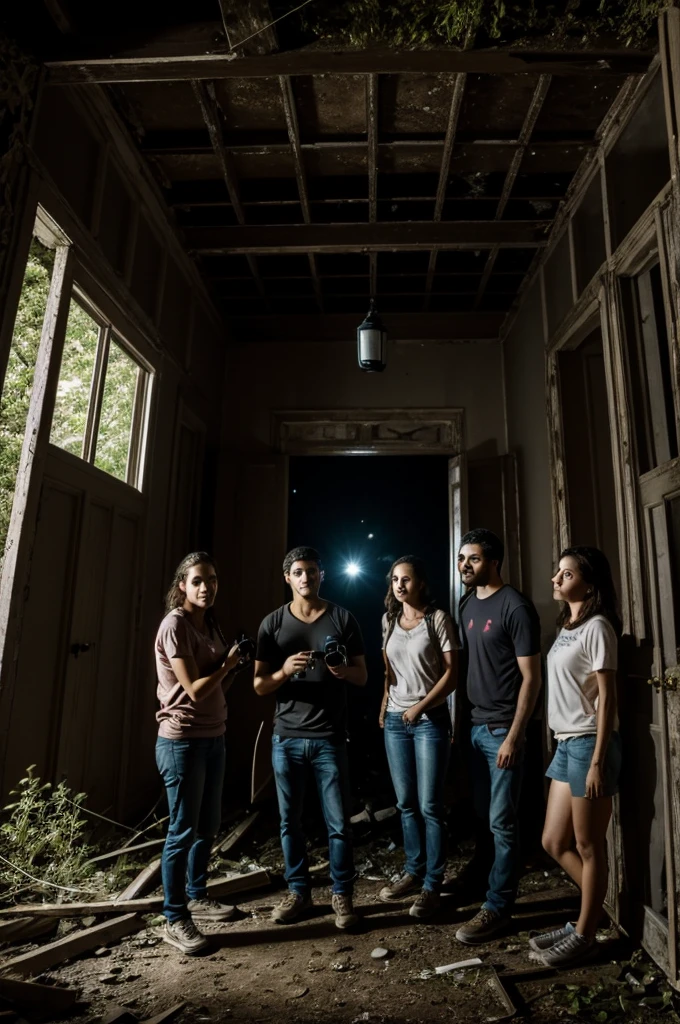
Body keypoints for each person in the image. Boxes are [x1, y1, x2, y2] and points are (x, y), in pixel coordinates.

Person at [254, 546, 367, 929]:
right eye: (299, 572)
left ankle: (342, 896)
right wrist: (284, 670)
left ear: (323, 575)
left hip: (329, 737)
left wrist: (340, 671)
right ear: (287, 577)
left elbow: (363, 676)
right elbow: (259, 685)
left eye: (313, 571)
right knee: (290, 822)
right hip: (286, 737)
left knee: (339, 823)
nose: (306, 578)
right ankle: (299, 893)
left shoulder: (342, 618)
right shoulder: (272, 624)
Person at [530, 546, 621, 967]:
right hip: (566, 743)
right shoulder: (569, 623)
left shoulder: (598, 627)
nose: (556, 579)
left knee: (587, 845)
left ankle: (585, 933)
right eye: (558, 571)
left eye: (566, 574)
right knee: (553, 841)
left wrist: (599, 760)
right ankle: (590, 914)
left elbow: (607, 698)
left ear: (589, 582)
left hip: (588, 743)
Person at [155, 551, 246, 955]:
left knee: (206, 826)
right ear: (182, 586)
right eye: (197, 581)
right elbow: (192, 689)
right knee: (181, 831)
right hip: (182, 741)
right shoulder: (175, 625)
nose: (206, 587)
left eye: (211, 579)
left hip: (213, 737)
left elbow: (215, 690)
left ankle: (196, 895)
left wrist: (232, 668)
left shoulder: (210, 624)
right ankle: (174, 917)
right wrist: (226, 666)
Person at [455, 529, 542, 944]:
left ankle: (499, 906)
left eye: (472, 559)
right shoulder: (467, 604)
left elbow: (531, 679)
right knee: (483, 818)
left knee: (503, 822)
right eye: (461, 558)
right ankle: (482, 884)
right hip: (475, 727)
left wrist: (514, 736)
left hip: (502, 730)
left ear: (493, 561)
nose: (464, 566)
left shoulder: (516, 607)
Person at [377, 556, 458, 919]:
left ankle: (433, 884)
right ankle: (414, 870)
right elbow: (389, 671)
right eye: (395, 579)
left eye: (406, 579)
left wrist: (420, 707)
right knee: (406, 803)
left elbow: (452, 674)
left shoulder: (438, 620)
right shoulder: (389, 620)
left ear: (420, 583)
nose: (399, 585)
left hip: (429, 721)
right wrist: (385, 706)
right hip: (396, 719)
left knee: (430, 806)